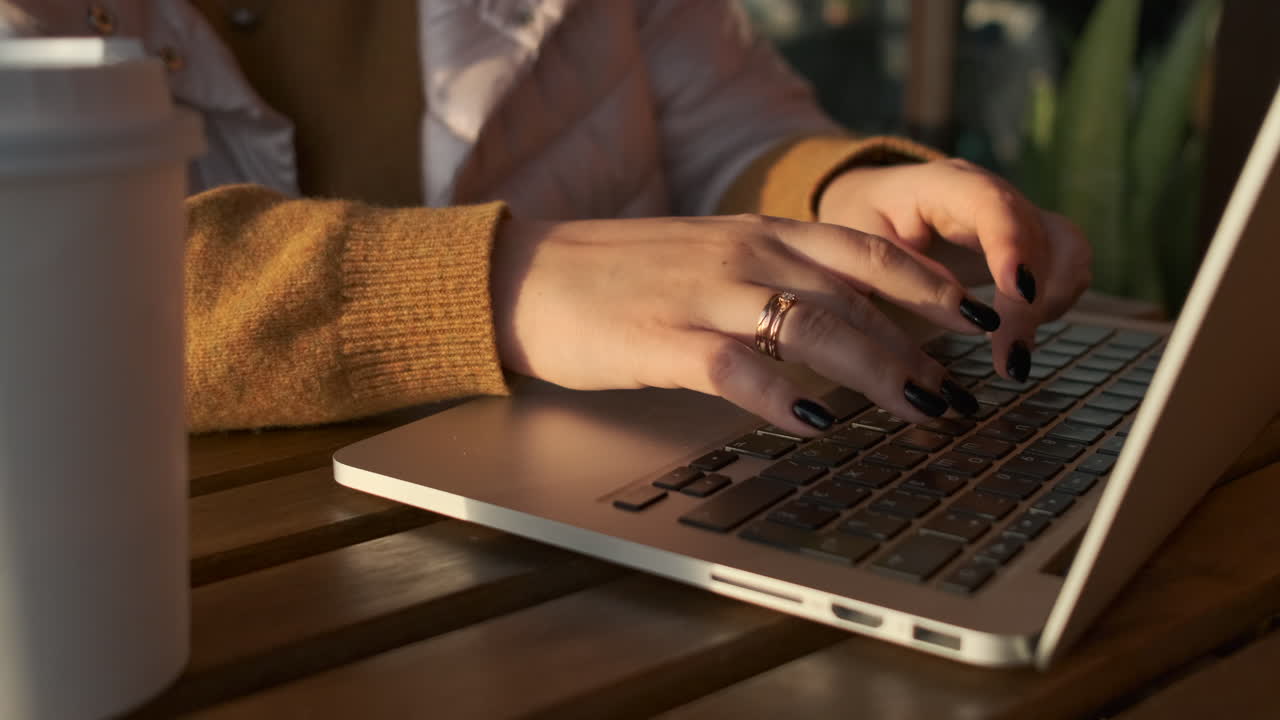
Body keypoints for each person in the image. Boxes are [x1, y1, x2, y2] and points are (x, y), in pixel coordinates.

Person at [10, 0, 1089, 435]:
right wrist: (493, 282)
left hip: (589, 543)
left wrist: (845, 201)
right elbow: (39, 291)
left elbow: (719, 129)